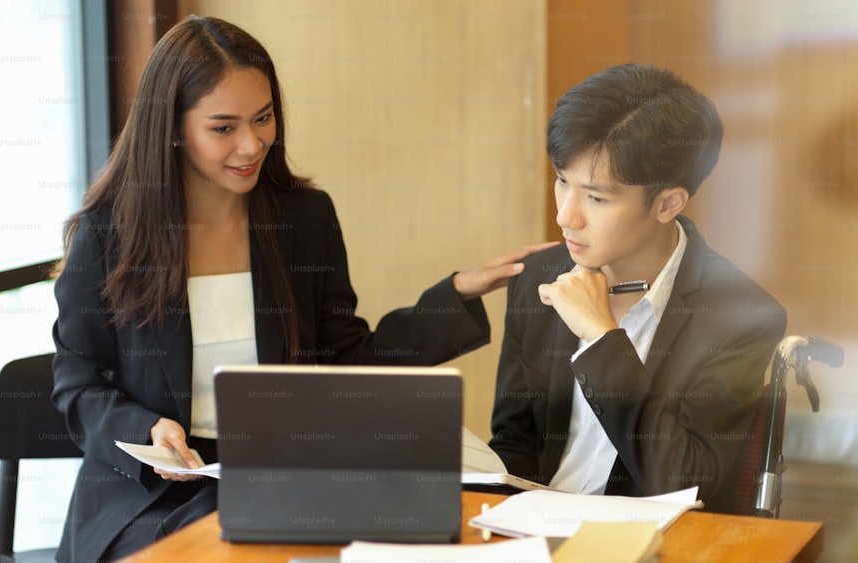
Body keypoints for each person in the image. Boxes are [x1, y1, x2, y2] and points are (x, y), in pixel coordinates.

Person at [51, 15, 552, 562]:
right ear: (172, 127)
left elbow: (347, 359)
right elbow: (78, 386)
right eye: (223, 128)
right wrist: (145, 428)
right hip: (145, 496)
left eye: (262, 118)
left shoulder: (303, 220)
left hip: (277, 477)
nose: (251, 144)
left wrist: (455, 296)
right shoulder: (108, 234)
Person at [488, 64, 786, 513]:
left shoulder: (742, 315)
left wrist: (604, 340)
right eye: (562, 181)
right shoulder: (537, 277)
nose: (566, 216)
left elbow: (687, 482)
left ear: (668, 203)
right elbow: (514, 442)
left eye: (597, 198)